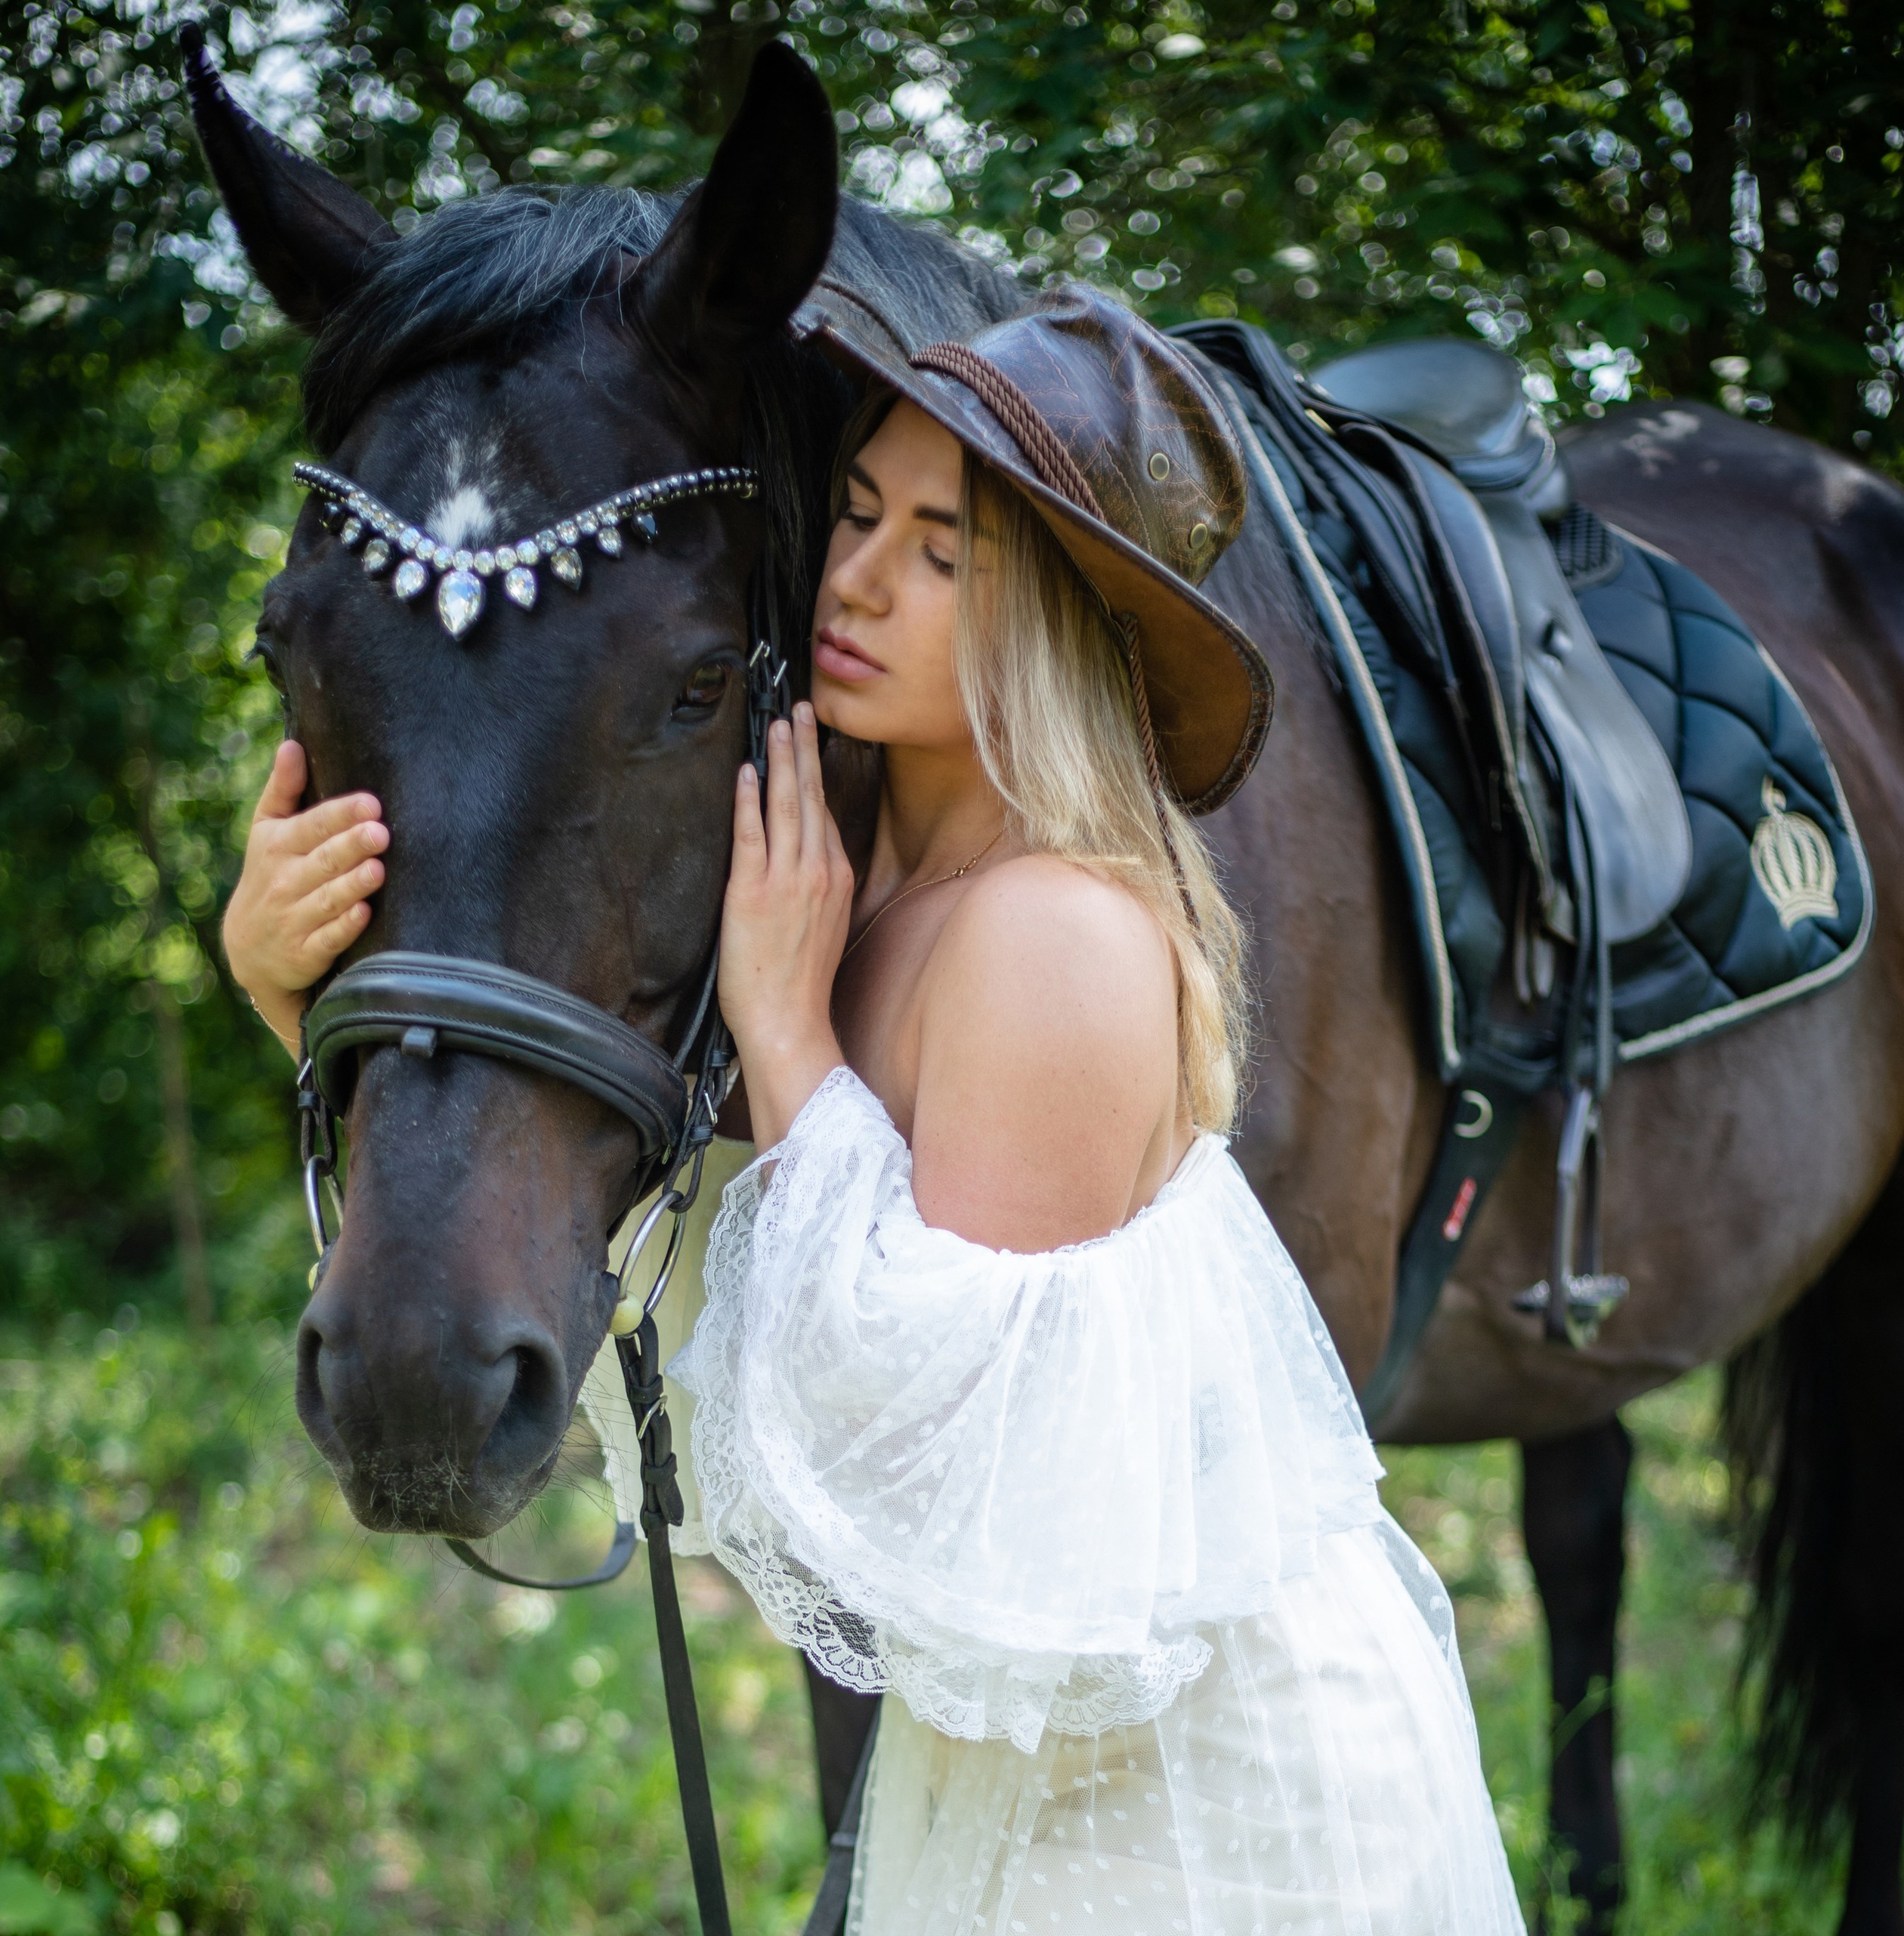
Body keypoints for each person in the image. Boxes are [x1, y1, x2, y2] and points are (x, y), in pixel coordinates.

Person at [225, 288, 1525, 1934]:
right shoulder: (857, 893)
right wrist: (293, 988)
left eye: (939, 551)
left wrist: (783, 1033)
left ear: (1048, 610)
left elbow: (940, 1505)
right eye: (852, 516)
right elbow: (691, 1328)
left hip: (1191, 1821)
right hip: (1000, 1785)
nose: (851, 583)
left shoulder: (1048, 935)